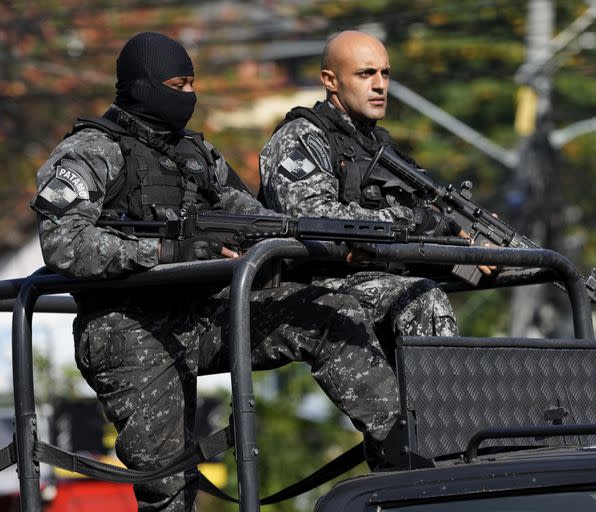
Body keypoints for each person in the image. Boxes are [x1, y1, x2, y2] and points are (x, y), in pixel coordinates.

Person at [30, 32, 400, 512]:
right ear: (142, 86)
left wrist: (332, 238)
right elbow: (64, 243)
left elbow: (255, 220)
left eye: (191, 84)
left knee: (329, 312)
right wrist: (170, 252)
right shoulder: (92, 151)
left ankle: (406, 460)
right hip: (128, 329)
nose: (188, 95)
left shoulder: (195, 155)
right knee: (169, 491)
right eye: (176, 84)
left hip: (202, 316)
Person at [260, 30, 479, 360]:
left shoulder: (381, 144)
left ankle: (436, 408)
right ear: (330, 80)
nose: (380, 85)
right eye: (365, 73)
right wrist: (414, 221)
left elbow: (429, 208)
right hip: (314, 287)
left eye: (385, 73)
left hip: (378, 279)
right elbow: (314, 219)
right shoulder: (301, 138)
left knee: (498, 266)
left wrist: (469, 238)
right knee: (422, 299)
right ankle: (440, 410)